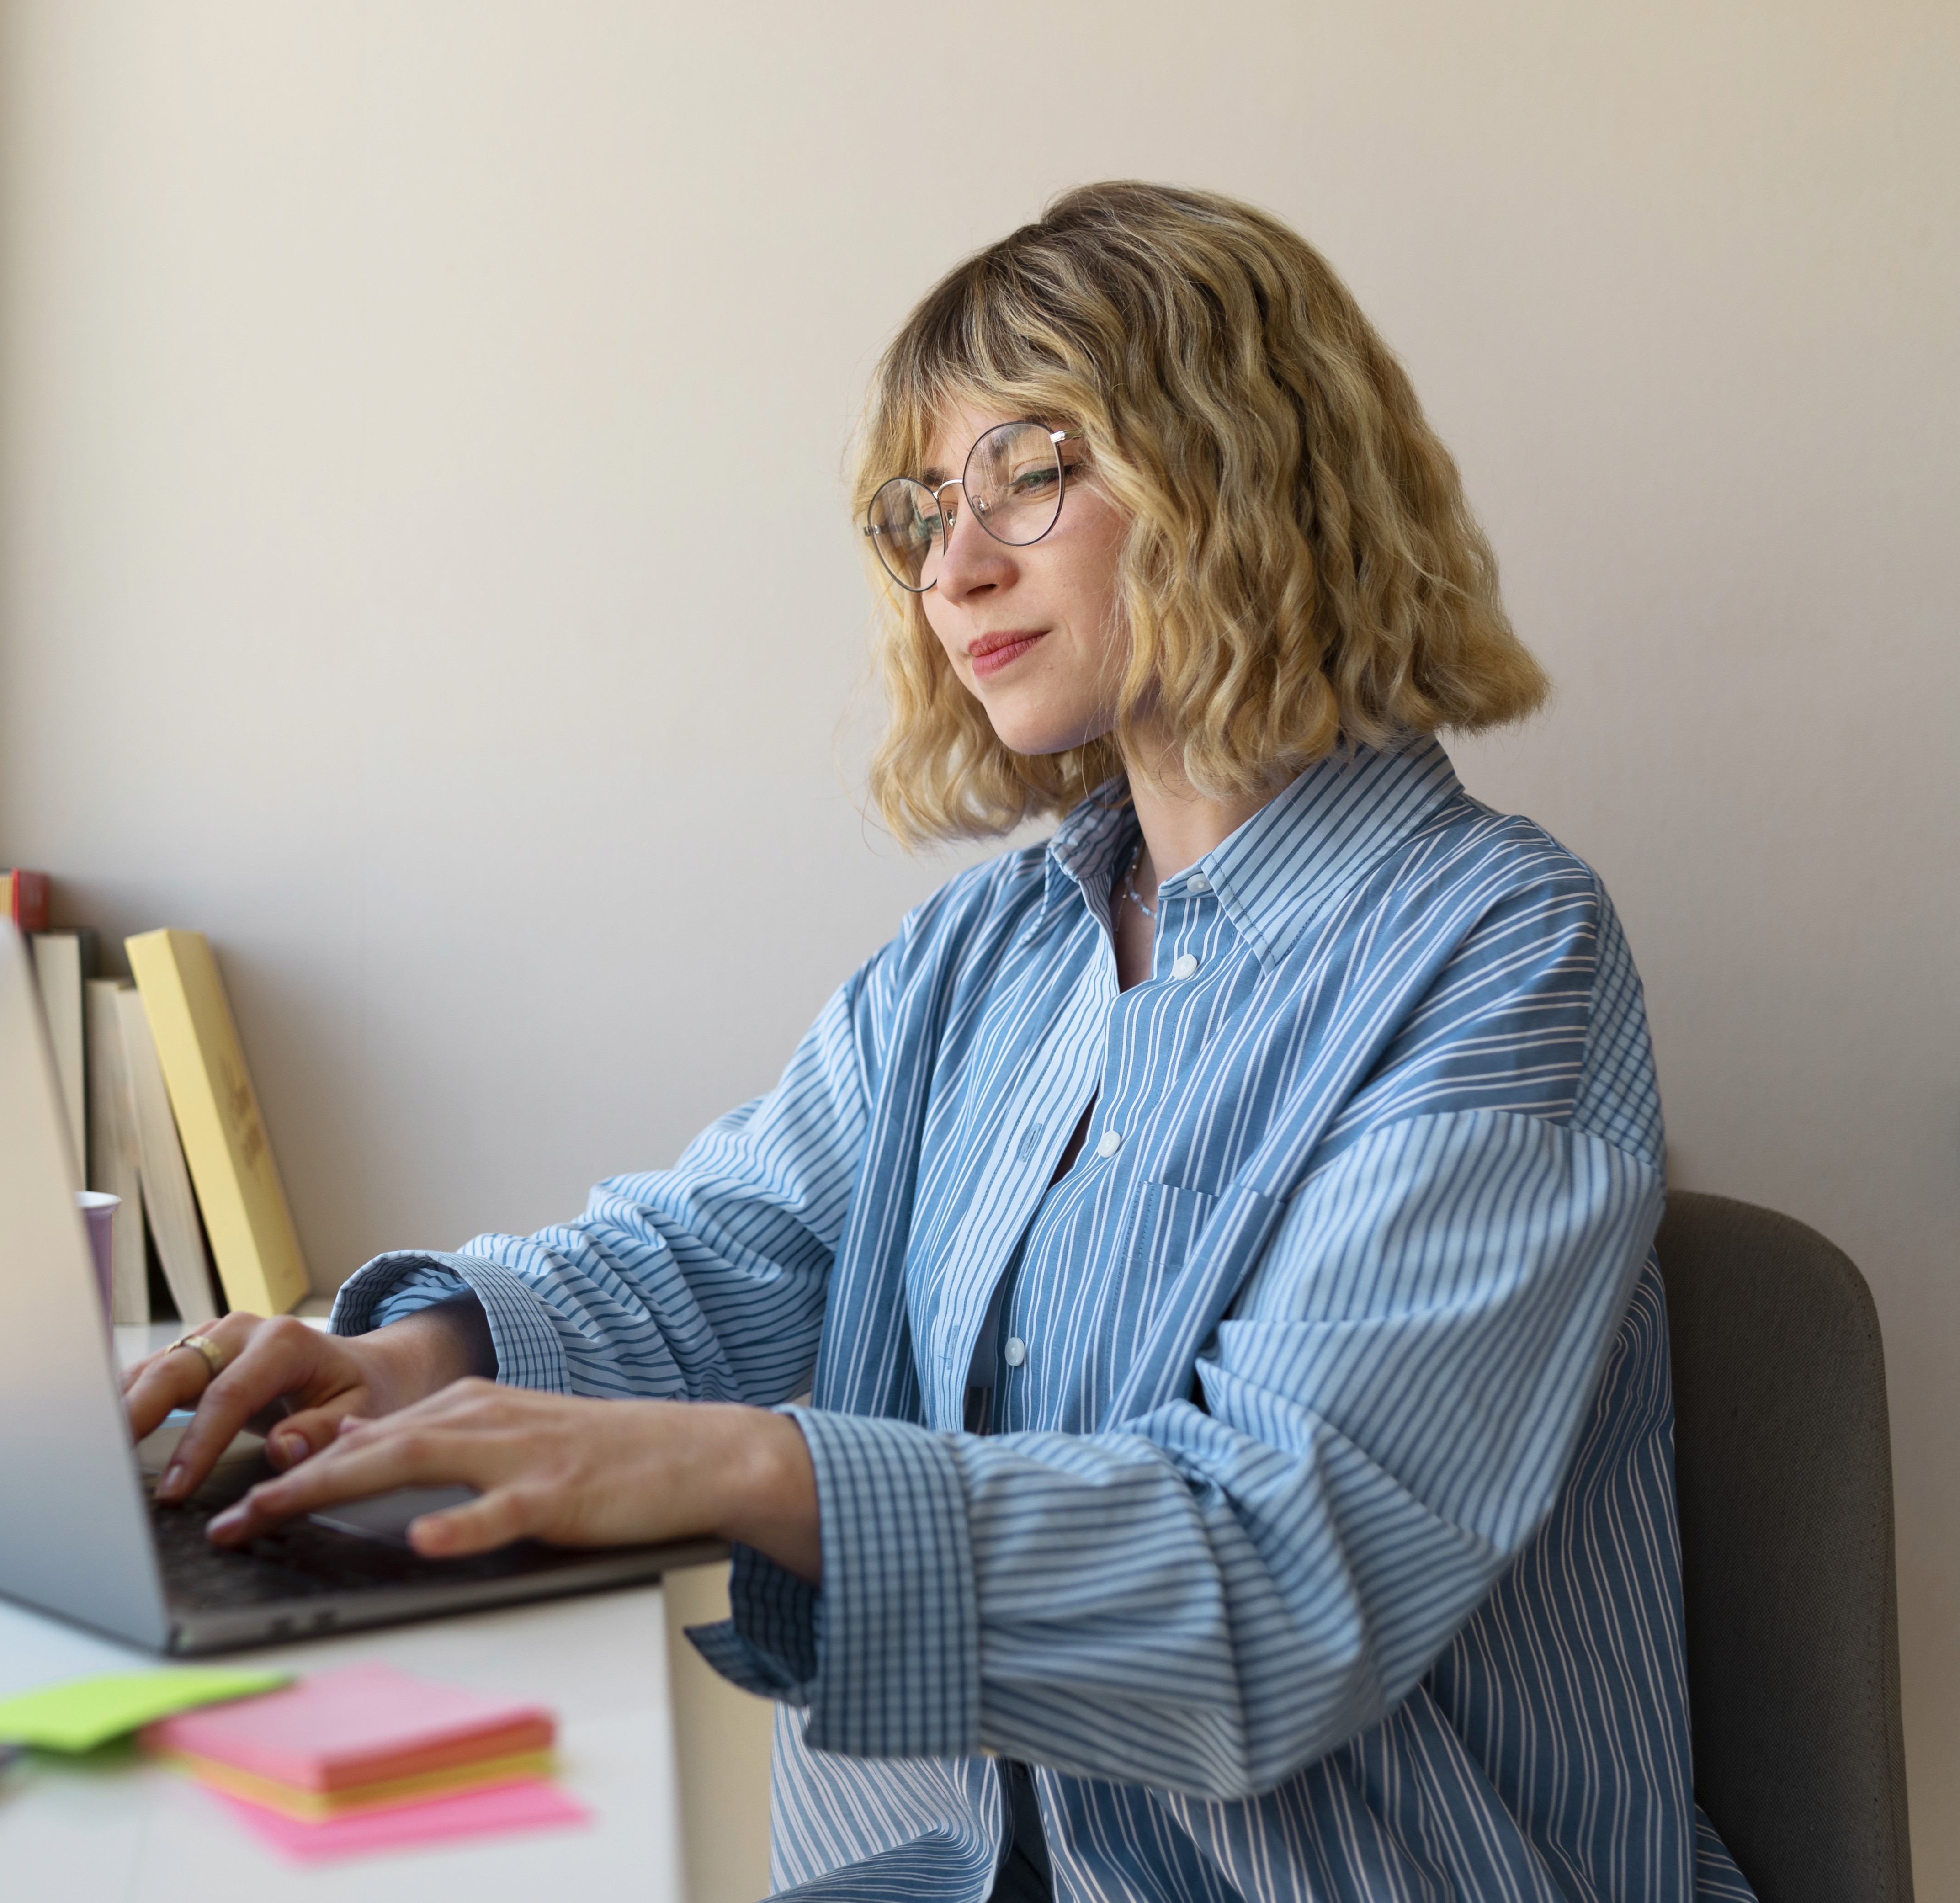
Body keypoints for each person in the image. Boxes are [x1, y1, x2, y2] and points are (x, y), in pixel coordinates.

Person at [121, 181, 1754, 1902]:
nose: (952, 567)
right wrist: (415, 1358)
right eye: (921, 509)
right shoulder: (984, 953)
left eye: (1027, 472)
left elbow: (1281, 1579)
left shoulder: (1500, 951)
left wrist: (742, 1466)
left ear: (1242, 471)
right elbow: (733, 1244)